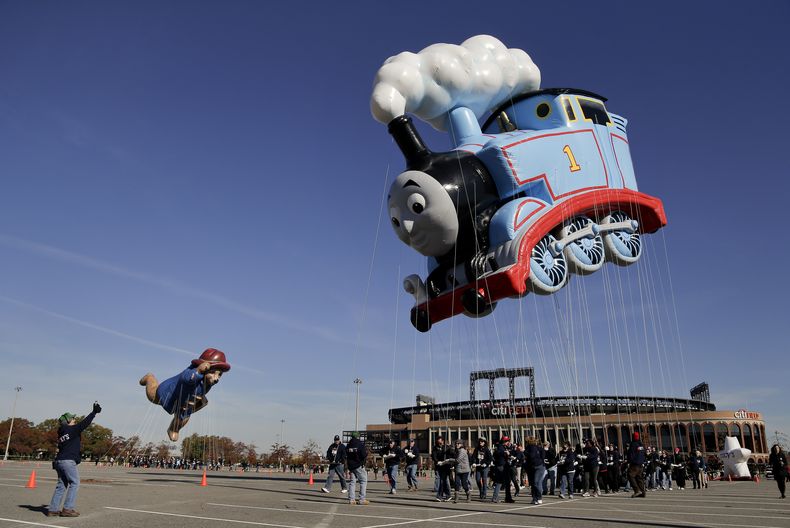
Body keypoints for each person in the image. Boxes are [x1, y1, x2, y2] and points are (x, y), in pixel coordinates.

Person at [139, 348, 230, 441]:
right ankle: (149, 378)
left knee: (184, 418)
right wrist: (198, 371)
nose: (216, 378)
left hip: (185, 403)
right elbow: (186, 378)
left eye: (219, 374)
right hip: (168, 395)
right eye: (212, 373)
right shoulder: (192, 371)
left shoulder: (208, 382)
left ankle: (173, 429)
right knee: (152, 395)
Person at [47, 401, 102, 517]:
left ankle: (53, 509)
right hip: (68, 461)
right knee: (75, 483)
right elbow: (85, 423)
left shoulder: (61, 433)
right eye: (72, 419)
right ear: (67, 421)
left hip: (59, 461)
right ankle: (67, 509)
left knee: (61, 485)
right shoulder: (71, 430)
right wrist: (94, 412)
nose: (74, 420)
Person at [346, 432, 368, 505]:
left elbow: (346, 454)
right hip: (358, 465)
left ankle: (351, 499)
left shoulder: (348, 445)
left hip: (351, 466)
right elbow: (364, 454)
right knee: (363, 481)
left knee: (352, 482)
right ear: (358, 437)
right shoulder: (360, 444)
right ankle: (362, 499)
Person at [491, 436, 515, 503]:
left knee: (507, 482)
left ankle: (508, 498)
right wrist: (505, 453)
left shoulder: (504, 447)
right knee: (499, 482)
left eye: (508, 441)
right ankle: (495, 498)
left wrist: (509, 455)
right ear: (504, 442)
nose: (508, 442)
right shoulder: (500, 447)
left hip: (504, 466)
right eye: (507, 441)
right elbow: (498, 453)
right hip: (501, 466)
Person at [431, 436, 455, 501]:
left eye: (441, 442)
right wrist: (437, 461)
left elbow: (451, 454)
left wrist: (450, 449)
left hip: (446, 466)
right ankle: (448, 495)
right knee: (443, 481)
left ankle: (440, 496)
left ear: (443, 441)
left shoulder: (447, 447)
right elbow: (434, 456)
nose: (440, 444)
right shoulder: (435, 448)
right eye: (438, 443)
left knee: (442, 481)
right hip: (439, 466)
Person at [524, 436, 546, 505]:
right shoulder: (530, 448)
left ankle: (539, 497)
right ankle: (534, 498)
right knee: (533, 483)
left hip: (539, 467)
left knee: (536, 482)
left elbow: (532, 456)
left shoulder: (533, 448)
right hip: (532, 467)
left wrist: (524, 453)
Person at [626, 432, 646, 498]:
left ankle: (637, 490)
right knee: (639, 477)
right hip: (641, 464)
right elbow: (644, 453)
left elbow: (631, 454)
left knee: (630, 475)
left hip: (635, 464)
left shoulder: (633, 444)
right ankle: (643, 492)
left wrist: (628, 462)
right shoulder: (641, 445)